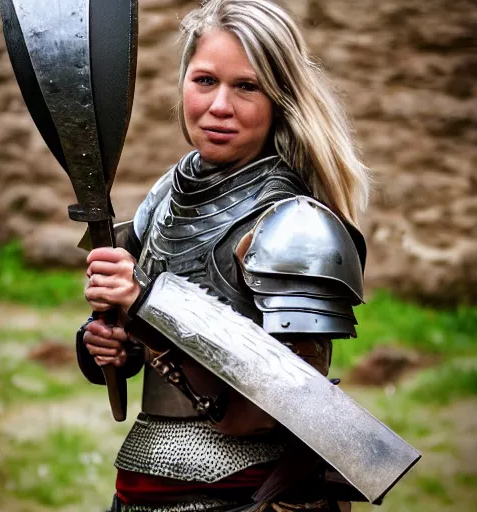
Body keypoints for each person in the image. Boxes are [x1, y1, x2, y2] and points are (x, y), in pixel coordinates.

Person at [76, 1, 369, 511]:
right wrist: (108, 343)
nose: (219, 106)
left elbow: (288, 399)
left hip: (247, 493)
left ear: (280, 100)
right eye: (205, 80)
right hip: (143, 480)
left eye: (247, 87)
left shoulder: (294, 225)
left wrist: (147, 305)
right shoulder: (164, 199)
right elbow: (140, 345)